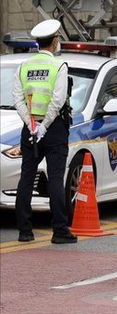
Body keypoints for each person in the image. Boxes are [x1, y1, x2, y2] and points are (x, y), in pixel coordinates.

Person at [12, 19, 77, 244]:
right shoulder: (59, 66)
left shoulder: (24, 66)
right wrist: (44, 126)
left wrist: (30, 124)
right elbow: (58, 100)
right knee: (56, 178)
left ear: (38, 43)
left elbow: (17, 99)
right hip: (54, 128)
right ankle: (59, 231)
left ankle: (24, 231)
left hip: (29, 127)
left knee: (27, 178)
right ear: (55, 41)